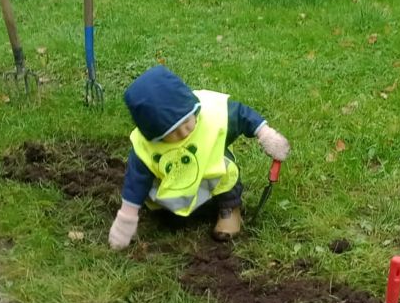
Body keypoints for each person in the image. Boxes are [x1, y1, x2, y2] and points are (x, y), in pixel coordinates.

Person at [108, 65, 290, 248]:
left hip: (213, 174)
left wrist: (266, 135)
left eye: (187, 121)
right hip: (175, 184)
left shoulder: (214, 115)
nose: (184, 131)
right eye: (173, 133)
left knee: (226, 174)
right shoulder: (145, 148)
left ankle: (229, 210)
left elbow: (243, 115)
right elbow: (135, 181)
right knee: (165, 209)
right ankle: (174, 212)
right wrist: (127, 218)